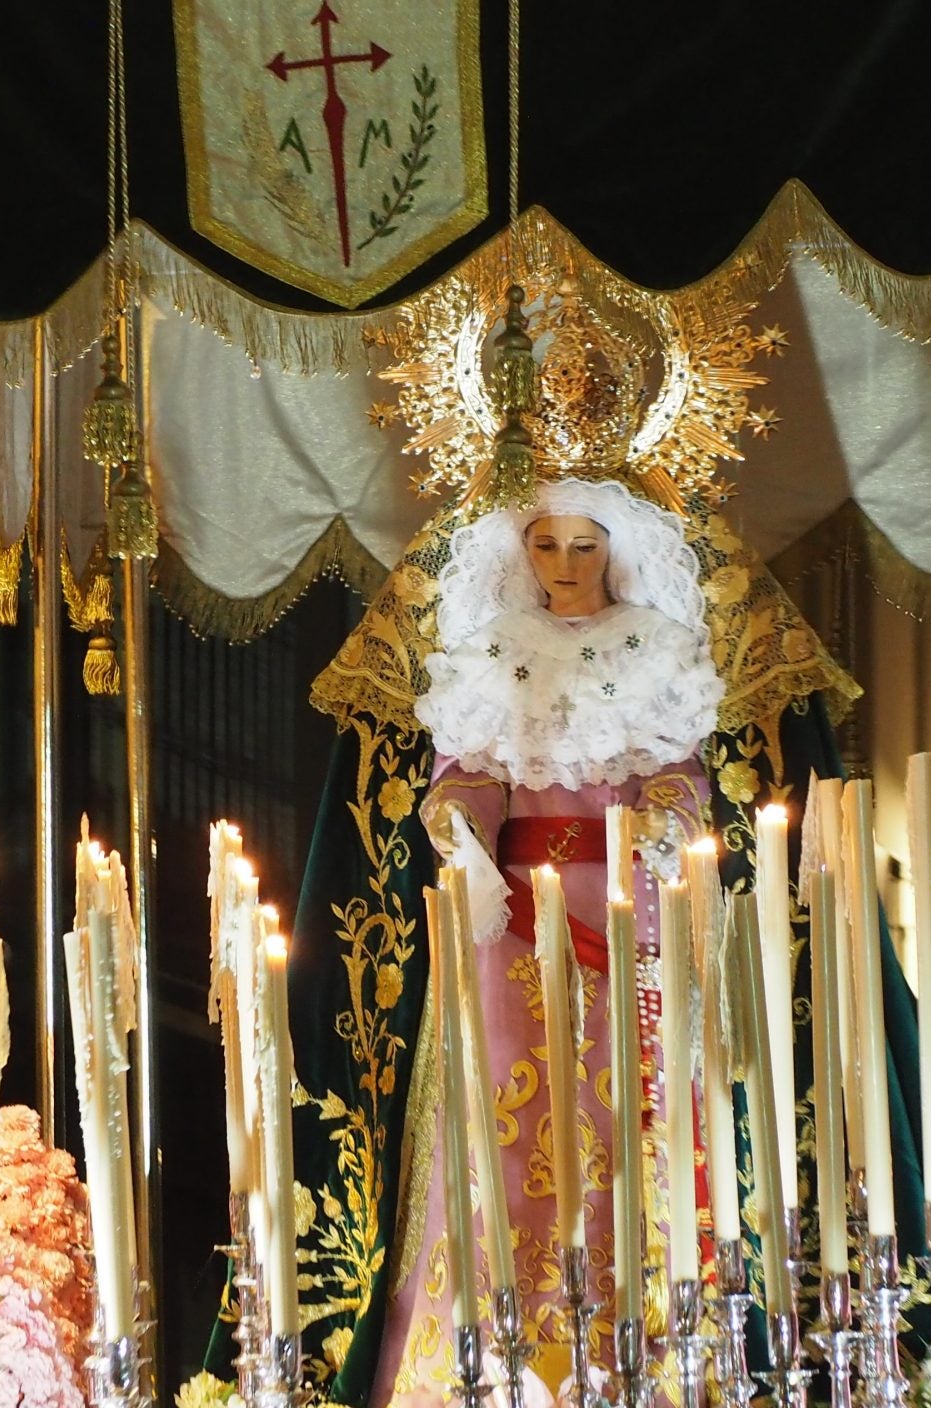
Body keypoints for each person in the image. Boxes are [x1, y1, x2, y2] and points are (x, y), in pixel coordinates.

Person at [376, 475, 724, 1403]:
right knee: (504, 1107)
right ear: (517, 552)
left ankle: (633, 1348)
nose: (566, 567)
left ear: (617, 550)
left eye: (584, 545)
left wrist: (661, 824)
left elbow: (681, 775)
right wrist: (459, 825)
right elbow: (469, 772)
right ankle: (489, 1352)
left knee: (625, 1111)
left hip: (624, 908)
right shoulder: (494, 653)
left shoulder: (656, 650)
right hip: (512, 924)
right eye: (546, 545)